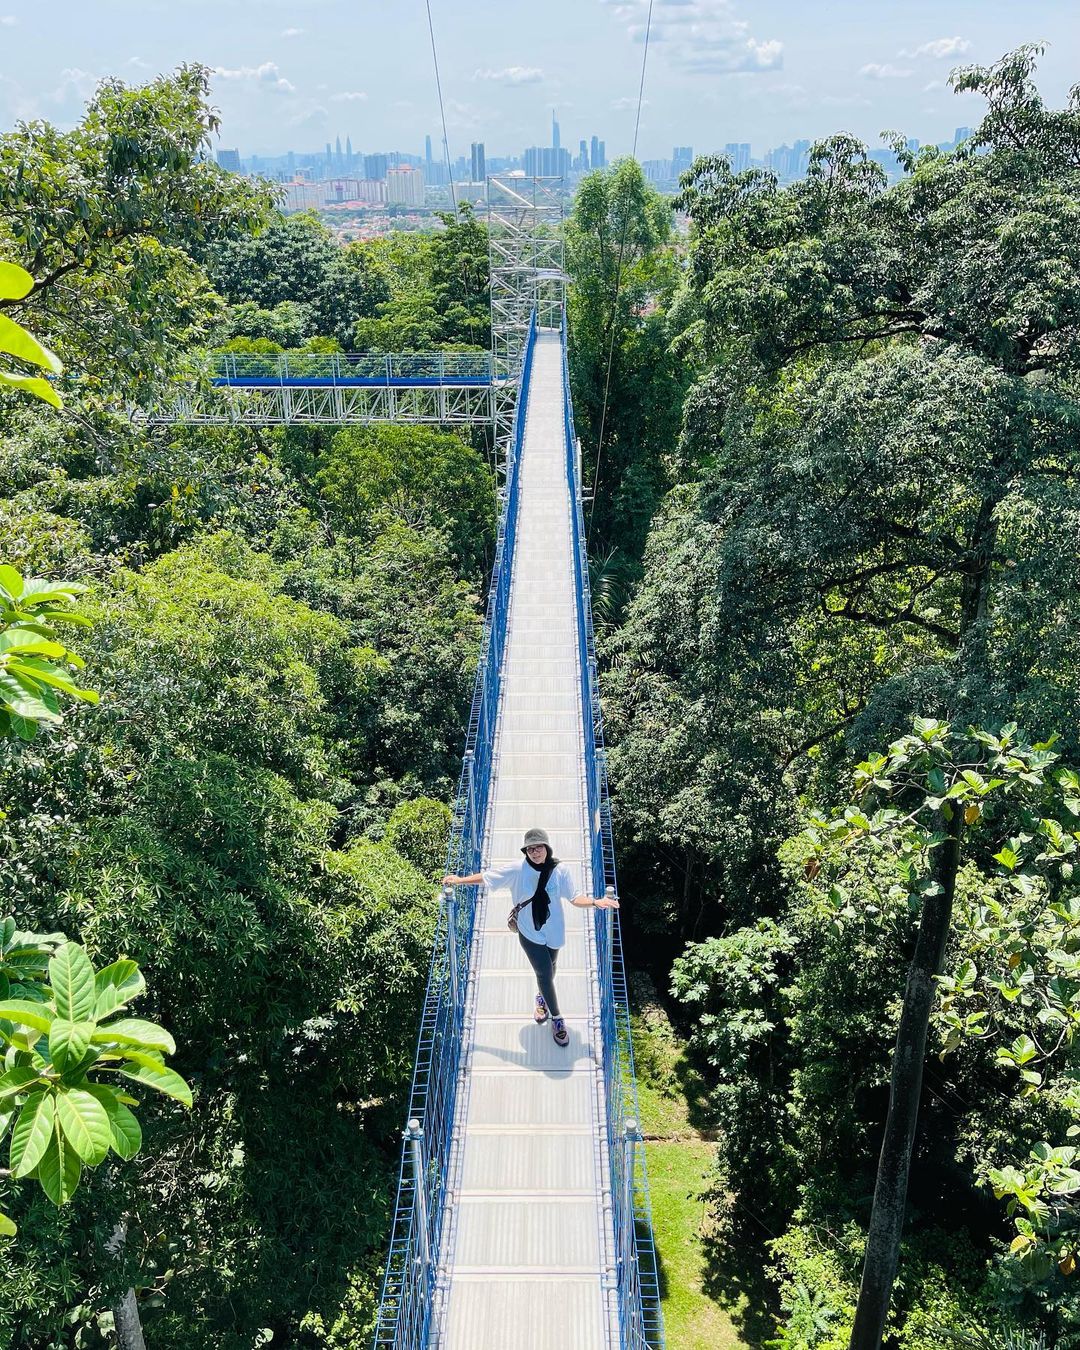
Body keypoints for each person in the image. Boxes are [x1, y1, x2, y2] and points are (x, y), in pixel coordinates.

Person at [443, 826, 620, 1047]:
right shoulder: (517, 870)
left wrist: (596, 902)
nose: (535, 853)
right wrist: (459, 881)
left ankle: (541, 998)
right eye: (530, 849)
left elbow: (574, 898)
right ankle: (557, 1019)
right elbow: (487, 878)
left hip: (554, 930)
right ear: (525, 852)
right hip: (530, 933)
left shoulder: (560, 870)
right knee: (545, 973)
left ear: (547, 848)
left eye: (538, 848)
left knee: (551, 969)